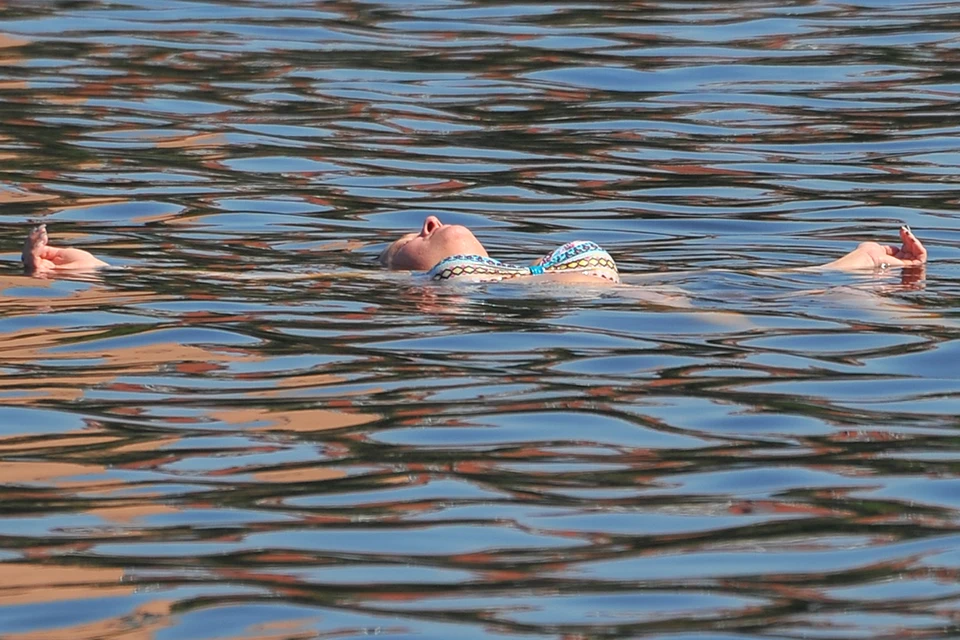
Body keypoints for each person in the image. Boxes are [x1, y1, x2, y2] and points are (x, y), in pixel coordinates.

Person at [21, 215, 927, 281]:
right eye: (408, 235)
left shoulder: (525, 267)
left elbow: (748, 281)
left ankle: (869, 267)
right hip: (525, 295)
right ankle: (864, 274)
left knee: (735, 291)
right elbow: (249, 276)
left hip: (575, 283)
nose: (426, 219)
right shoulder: (447, 282)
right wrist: (91, 267)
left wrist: (857, 261)